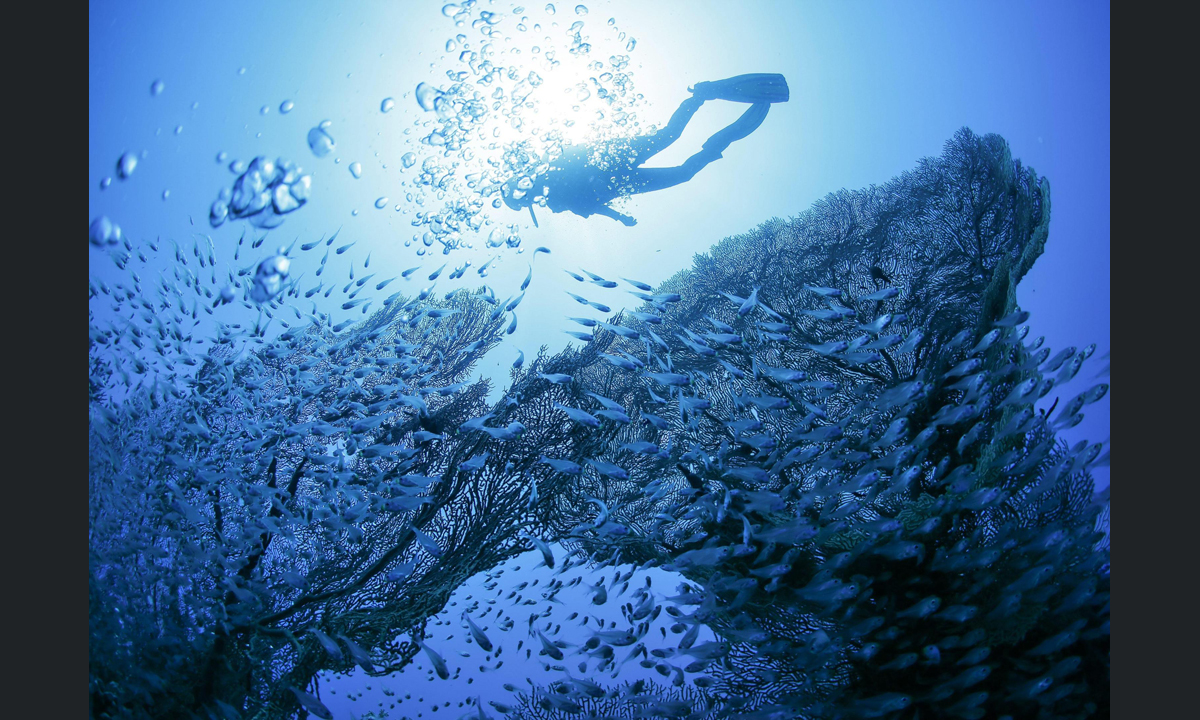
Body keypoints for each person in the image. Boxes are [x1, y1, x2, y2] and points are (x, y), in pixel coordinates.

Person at [502, 73, 789, 227]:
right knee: (681, 167)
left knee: (670, 139)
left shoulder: (551, 176)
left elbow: (586, 191)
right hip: (622, 178)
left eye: (526, 198)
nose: (532, 199)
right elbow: (593, 207)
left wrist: (617, 217)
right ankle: (720, 134)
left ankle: (704, 95)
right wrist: (620, 218)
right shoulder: (555, 198)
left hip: (613, 161)